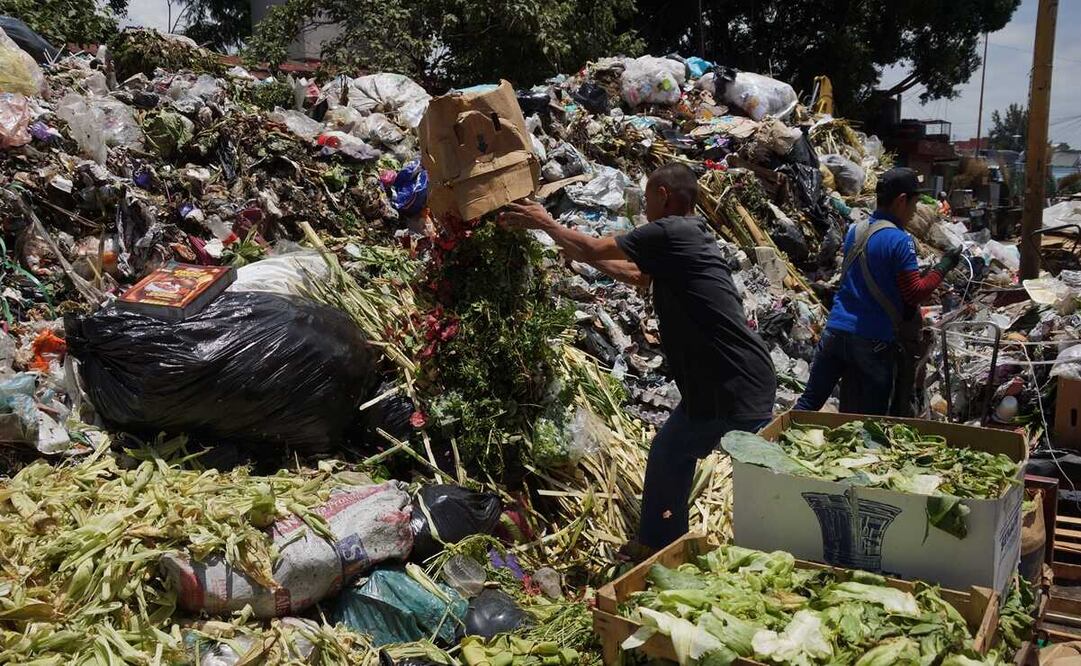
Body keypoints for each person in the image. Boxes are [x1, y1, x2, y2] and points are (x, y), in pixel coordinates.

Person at [500, 163, 776, 555]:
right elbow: (635, 275)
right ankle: (662, 545)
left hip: (732, 383)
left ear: (663, 194)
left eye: (647, 198)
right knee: (671, 454)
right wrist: (574, 250)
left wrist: (547, 224)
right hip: (722, 382)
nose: (645, 207)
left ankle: (749, 546)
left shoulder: (670, 229)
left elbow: (596, 246)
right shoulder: (689, 236)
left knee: (746, 472)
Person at [795, 167, 962, 416]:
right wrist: (943, 267)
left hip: (835, 332)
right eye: (914, 204)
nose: (915, 212)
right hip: (871, 341)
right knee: (870, 421)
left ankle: (772, 444)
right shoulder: (899, 240)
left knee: (809, 404)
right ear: (901, 201)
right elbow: (914, 293)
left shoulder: (856, 230)